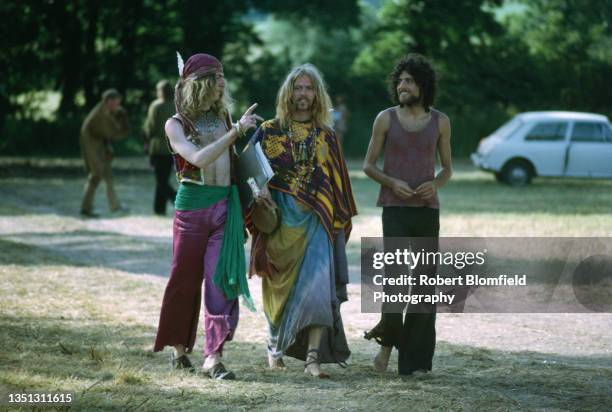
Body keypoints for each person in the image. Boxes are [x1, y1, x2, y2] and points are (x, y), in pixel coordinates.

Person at [153, 53, 263, 380]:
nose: (222, 83)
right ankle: (179, 349)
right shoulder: (175, 124)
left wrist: (258, 187)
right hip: (191, 207)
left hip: (224, 208)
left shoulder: (224, 118)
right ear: (200, 83)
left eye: (222, 76)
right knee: (184, 280)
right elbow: (198, 158)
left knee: (221, 281)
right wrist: (236, 132)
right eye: (217, 77)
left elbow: (235, 163)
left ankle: (213, 356)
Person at [246, 63, 357, 378]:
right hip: (278, 222)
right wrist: (260, 191)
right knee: (277, 289)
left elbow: (337, 184)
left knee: (319, 289)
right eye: (298, 88)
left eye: (309, 88)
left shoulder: (327, 136)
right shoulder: (268, 131)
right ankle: (274, 347)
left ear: (317, 94)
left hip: (317, 222)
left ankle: (312, 358)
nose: (303, 94)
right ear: (288, 92)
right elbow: (248, 169)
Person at [362, 53, 452, 376]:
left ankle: (415, 362)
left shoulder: (441, 121)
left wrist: (434, 184)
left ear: (423, 85)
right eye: (399, 80)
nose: (402, 85)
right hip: (395, 209)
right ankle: (386, 348)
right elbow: (368, 165)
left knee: (424, 284)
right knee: (397, 282)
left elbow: (448, 170)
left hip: (427, 211)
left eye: (409, 80)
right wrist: (391, 182)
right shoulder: (385, 119)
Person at [79, 89, 130, 217]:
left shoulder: (105, 111)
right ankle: (88, 208)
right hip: (94, 149)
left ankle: (112, 206)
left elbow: (113, 132)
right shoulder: (100, 115)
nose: (118, 106)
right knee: (97, 176)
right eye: (116, 103)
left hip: (99, 149)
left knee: (104, 176)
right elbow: (112, 132)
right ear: (109, 101)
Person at [143, 80, 177, 215]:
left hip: (157, 147)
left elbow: (150, 127)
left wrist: (146, 141)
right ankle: (159, 209)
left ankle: (177, 200)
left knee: (161, 180)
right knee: (163, 179)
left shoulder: (156, 105)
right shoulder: (175, 106)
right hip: (172, 147)